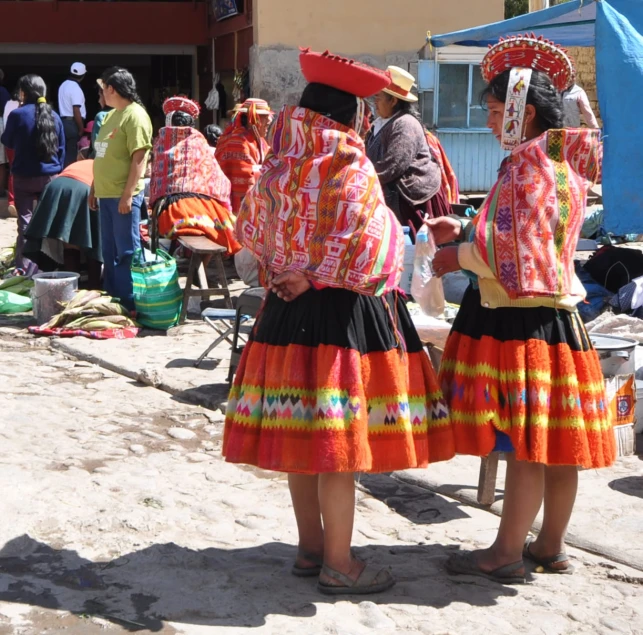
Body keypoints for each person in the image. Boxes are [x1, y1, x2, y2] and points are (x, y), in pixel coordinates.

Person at [223, 48, 455, 595]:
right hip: (341, 321)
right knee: (338, 448)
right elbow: (376, 249)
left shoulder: (278, 165)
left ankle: (309, 549)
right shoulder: (351, 167)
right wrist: (317, 274)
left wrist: (287, 270)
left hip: (284, 315)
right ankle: (340, 562)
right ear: (351, 118)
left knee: (301, 436)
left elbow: (249, 231)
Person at [430, 35, 615, 584]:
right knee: (558, 442)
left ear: (522, 113)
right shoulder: (564, 162)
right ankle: (549, 544)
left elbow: (502, 252)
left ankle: (505, 553)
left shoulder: (526, 165)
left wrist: (452, 254)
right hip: (560, 319)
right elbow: (525, 235)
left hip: (518, 321)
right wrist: (465, 227)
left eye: (492, 111)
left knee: (527, 443)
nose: (488, 122)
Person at [90, 67, 152, 311]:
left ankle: (130, 302)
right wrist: (94, 186)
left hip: (123, 196)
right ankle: (113, 298)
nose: (101, 92)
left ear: (111, 89)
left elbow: (139, 158)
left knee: (127, 251)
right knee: (109, 251)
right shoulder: (109, 116)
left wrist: (128, 195)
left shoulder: (135, 116)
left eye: (102, 87)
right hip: (105, 194)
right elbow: (101, 155)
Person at [149, 96, 240, 254]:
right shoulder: (199, 143)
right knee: (224, 227)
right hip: (193, 206)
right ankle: (200, 269)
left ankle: (198, 269)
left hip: (169, 208)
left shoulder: (160, 144)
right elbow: (218, 179)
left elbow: (156, 182)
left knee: (217, 228)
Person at [366, 66, 450, 236]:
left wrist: (362, 177)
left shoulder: (405, 124)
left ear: (394, 101)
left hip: (412, 200)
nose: (375, 102)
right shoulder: (379, 123)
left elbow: (393, 165)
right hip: (390, 193)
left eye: (379, 97)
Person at [1, 74, 65, 277]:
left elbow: (7, 141)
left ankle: (24, 268)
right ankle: (51, 267)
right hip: (50, 177)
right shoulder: (54, 116)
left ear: (23, 93)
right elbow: (61, 149)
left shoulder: (17, 115)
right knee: (50, 223)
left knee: (25, 223)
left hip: (23, 177)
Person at [23, 159, 102, 289]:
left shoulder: (86, 162)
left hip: (55, 188)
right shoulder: (108, 166)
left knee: (68, 238)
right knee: (94, 239)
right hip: (83, 189)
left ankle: (70, 287)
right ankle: (94, 287)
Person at [215, 97, 272, 213]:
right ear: (253, 120)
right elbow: (244, 179)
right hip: (237, 207)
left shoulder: (260, 142)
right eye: (264, 117)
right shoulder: (238, 141)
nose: (269, 121)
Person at [58, 62, 87, 168]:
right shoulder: (75, 88)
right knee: (71, 156)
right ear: (83, 76)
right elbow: (76, 109)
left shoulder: (63, 85)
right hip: (72, 124)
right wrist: (81, 128)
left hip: (63, 122)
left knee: (63, 154)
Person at [2, 88, 20, 218]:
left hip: (9, 142)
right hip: (20, 142)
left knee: (13, 170)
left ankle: (12, 200)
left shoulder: (8, 103)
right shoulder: (22, 106)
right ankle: (16, 201)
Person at [91, 86, 112, 159]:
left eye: (100, 96)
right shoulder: (124, 113)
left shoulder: (101, 116)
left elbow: (97, 146)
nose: (99, 101)